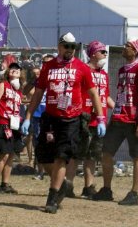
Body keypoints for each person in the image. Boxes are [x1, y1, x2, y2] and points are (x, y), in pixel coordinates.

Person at [21, 33, 103, 214]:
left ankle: (53, 197)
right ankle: (63, 183)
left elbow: (93, 93)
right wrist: (28, 116)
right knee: (43, 155)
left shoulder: (82, 68)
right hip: (50, 117)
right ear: (59, 46)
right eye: (66, 46)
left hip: (71, 119)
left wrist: (102, 118)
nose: (69, 49)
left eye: (72, 47)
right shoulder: (48, 67)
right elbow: (38, 93)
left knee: (61, 156)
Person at [93, 39, 138, 206]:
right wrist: (113, 115)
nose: (124, 48)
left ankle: (134, 193)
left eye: (128, 46)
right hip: (118, 118)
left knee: (136, 155)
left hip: (133, 120)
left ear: (135, 51)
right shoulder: (122, 70)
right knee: (106, 152)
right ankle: (106, 189)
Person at [67, 40, 113, 199]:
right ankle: (68, 185)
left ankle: (88, 187)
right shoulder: (82, 70)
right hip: (83, 117)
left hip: (98, 120)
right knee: (76, 154)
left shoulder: (104, 75)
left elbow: (106, 97)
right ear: (93, 53)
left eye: (105, 52)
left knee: (92, 156)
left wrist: (119, 110)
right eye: (103, 52)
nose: (105, 55)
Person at [0, 62, 24, 194]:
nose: (15, 70)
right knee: (4, 154)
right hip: (3, 123)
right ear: (8, 72)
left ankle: (5, 183)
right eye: (12, 69)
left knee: (11, 155)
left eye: (18, 69)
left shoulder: (19, 91)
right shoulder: (3, 85)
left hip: (15, 125)